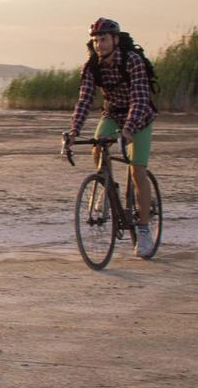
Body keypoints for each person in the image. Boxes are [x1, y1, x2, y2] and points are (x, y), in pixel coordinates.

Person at [63, 17, 158, 256]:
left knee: (137, 170)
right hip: (112, 114)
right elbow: (84, 100)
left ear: (115, 39)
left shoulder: (132, 61)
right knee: (97, 146)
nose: (99, 45)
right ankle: (107, 186)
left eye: (103, 39)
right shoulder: (92, 66)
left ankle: (144, 231)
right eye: (95, 40)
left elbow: (139, 99)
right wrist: (74, 131)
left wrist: (128, 131)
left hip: (140, 117)